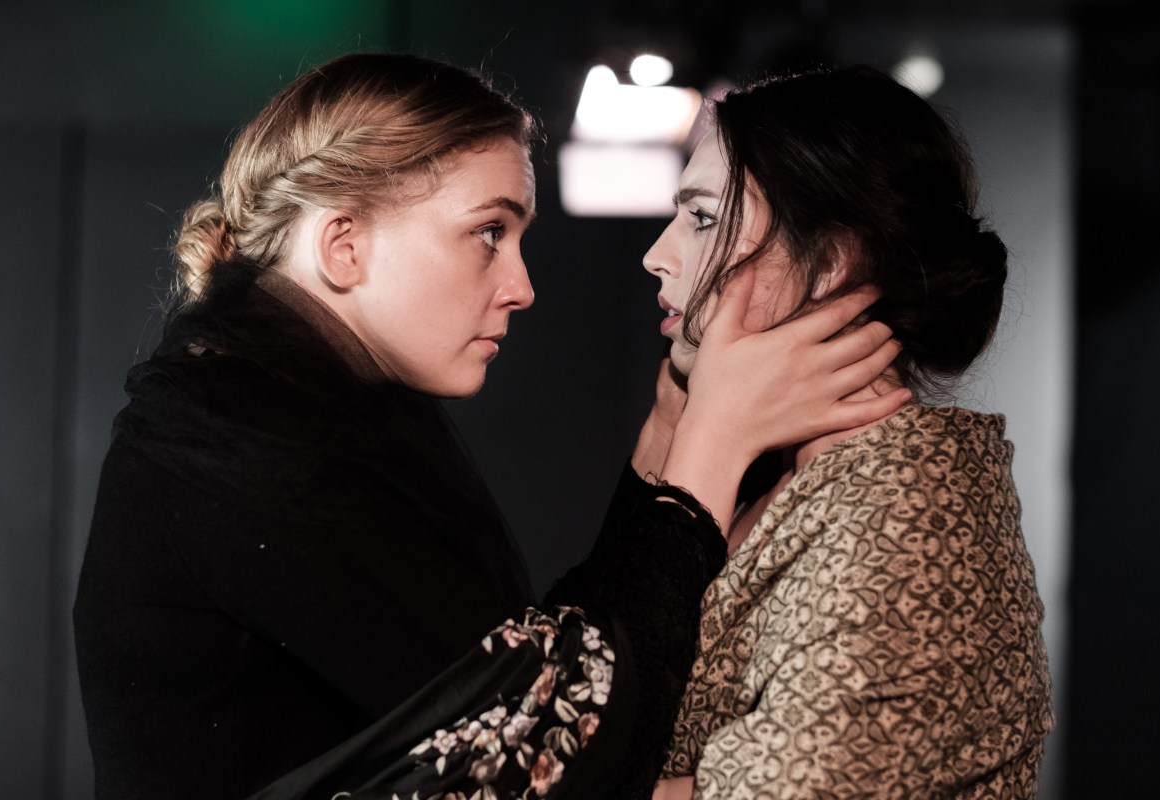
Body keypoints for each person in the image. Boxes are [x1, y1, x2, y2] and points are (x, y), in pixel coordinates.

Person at [72, 54, 908, 800]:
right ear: (344, 246)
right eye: (488, 233)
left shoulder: (300, 405)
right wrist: (712, 447)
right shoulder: (243, 442)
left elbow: (529, 668)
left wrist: (669, 433)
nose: (522, 286)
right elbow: (554, 748)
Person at [645, 66, 1053, 799]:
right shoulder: (781, 477)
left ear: (830, 263)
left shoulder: (916, 511)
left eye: (702, 218)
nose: (657, 255)